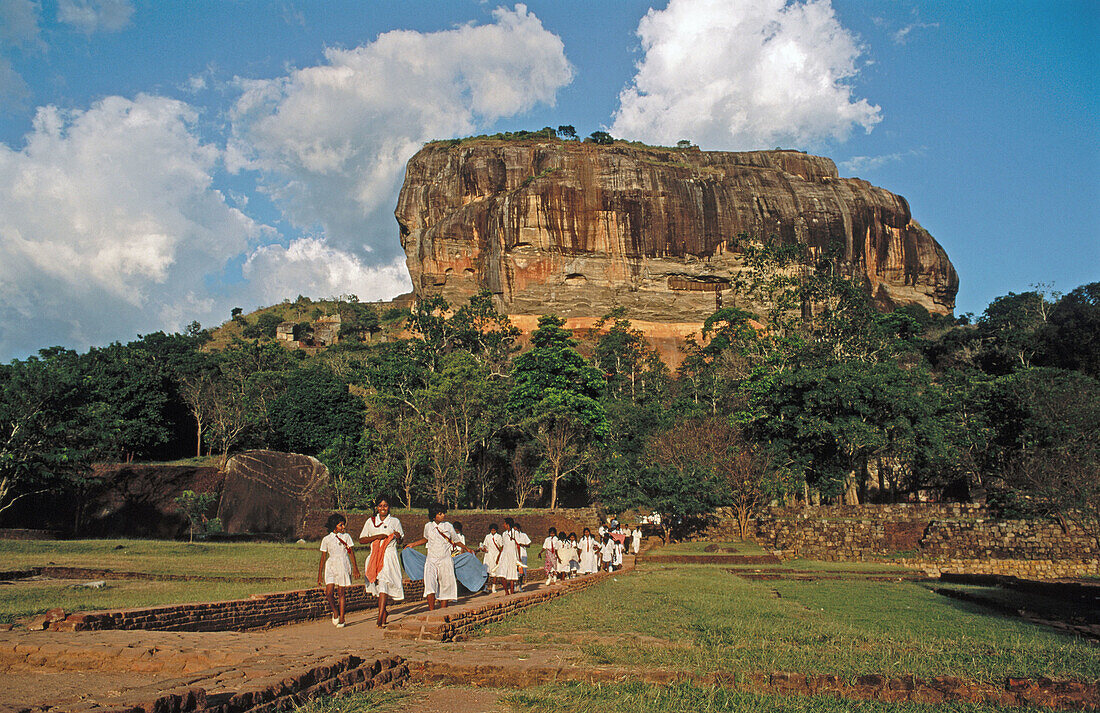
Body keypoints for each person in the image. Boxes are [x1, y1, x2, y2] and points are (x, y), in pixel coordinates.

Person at [403, 503, 471, 610]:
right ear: (433, 516)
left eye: (443, 513)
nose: (442, 515)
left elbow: (456, 541)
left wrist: (466, 548)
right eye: (439, 514)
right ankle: (431, 610)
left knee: (446, 585)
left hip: (445, 559)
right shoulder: (428, 527)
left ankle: (443, 611)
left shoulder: (448, 526)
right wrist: (412, 544)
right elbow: (425, 539)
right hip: (431, 560)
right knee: (430, 584)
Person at [358, 496, 403, 628]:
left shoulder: (394, 521)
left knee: (384, 584)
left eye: (385, 506)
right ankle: (383, 612)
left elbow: (400, 540)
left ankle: (379, 617)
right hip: (375, 556)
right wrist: (377, 537)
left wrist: (398, 537)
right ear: (377, 507)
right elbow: (361, 539)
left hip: (389, 556)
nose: (383, 508)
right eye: (380, 506)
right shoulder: (370, 522)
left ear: (389, 507)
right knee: (379, 587)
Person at [317, 513, 359, 628]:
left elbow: (351, 553)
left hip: (343, 565)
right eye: (341, 525)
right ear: (334, 526)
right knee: (329, 593)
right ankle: (335, 611)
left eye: (343, 525)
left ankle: (342, 617)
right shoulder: (326, 539)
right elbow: (323, 557)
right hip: (331, 565)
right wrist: (319, 575)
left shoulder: (346, 537)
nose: (343, 527)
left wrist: (355, 568)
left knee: (341, 592)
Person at [497, 518, 521, 595]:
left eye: (504, 524)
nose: (503, 525)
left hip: (512, 555)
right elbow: (503, 546)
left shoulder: (515, 533)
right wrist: (498, 556)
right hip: (504, 555)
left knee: (512, 574)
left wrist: (519, 558)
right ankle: (506, 592)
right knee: (502, 573)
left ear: (507, 525)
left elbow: (518, 545)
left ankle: (512, 591)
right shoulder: (504, 534)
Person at [479, 523, 503, 594]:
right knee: (487, 572)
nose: (493, 532)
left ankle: (493, 587)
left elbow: (501, 546)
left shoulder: (499, 537)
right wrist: (483, 548)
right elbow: (485, 545)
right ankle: (486, 587)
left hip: (495, 555)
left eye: (494, 530)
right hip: (488, 556)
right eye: (492, 530)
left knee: (495, 572)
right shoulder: (487, 536)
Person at [513, 521, 531, 591]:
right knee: (514, 570)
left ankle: (520, 586)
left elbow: (529, 544)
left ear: (519, 529)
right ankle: (514, 586)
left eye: (516, 529)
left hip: (522, 554)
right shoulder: (512, 536)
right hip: (515, 554)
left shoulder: (523, 535)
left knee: (521, 571)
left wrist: (523, 545)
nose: (515, 531)